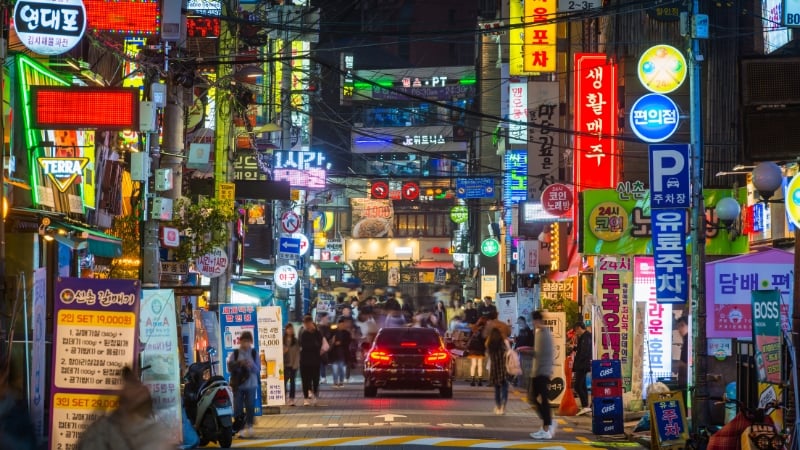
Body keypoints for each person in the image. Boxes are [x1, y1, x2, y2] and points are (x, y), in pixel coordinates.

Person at [77, 367, 175, 450]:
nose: (142, 388)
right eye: (133, 385)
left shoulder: (155, 432)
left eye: (138, 384)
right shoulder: (100, 433)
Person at [226, 330, 259, 438]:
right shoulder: (235, 354)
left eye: (248, 341)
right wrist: (239, 364)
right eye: (244, 341)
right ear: (240, 341)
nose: (246, 344)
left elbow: (257, 369)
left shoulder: (254, 353)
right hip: (238, 385)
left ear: (251, 342)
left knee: (250, 406)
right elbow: (229, 368)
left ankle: (250, 427)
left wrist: (251, 364)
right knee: (238, 407)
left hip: (251, 384)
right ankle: (240, 429)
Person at [530, 310, 556, 440]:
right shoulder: (541, 333)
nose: (533, 323)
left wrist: (527, 351)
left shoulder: (543, 333)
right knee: (535, 398)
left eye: (534, 321)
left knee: (540, 400)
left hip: (541, 372)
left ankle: (547, 426)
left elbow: (540, 354)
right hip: (540, 371)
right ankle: (546, 424)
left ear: (538, 321)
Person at [298, 315, 324, 406]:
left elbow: (319, 344)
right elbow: (303, 345)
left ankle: (316, 397)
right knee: (305, 380)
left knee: (315, 379)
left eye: (308, 323)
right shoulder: (303, 332)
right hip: (304, 361)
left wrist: (315, 332)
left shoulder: (317, 332)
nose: (307, 325)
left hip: (315, 360)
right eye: (305, 323)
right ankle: (306, 398)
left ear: (311, 322)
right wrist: (313, 345)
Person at [485, 327, 509, 415]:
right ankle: (503, 406)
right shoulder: (502, 344)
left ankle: (498, 406)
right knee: (505, 388)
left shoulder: (489, 345)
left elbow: (487, 354)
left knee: (497, 389)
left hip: (494, 369)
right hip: (503, 369)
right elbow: (508, 352)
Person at [573, 322, 593, 416]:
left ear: (579, 328)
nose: (576, 332)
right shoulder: (585, 336)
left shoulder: (586, 337)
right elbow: (582, 349)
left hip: (583, 365)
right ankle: (586, 406)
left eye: (576, 330)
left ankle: (585, 405)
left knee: (577, 385)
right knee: (582, 385)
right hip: (582, 364)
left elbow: (584, 352)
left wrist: (578, 363)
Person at [330, 317, 352, 387]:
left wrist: (341, 343)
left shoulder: (346, 333)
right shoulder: (333, 332)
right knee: (335, 369)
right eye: (340, 324)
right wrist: (333, 342)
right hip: (334, 353)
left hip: (343, 353)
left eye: (343, 324)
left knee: (342, 369)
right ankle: (335, 382)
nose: (342, 326)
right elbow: (329, 340)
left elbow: (348, 342)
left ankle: (341, 382)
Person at [283, 323, 301, 406]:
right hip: (285, 364)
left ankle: (291, 399)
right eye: (288, 329)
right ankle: (283, 397)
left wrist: (296, 364)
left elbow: (298, 353)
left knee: (292, 382)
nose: (290, 330)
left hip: (293, 364)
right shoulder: (282, 340)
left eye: (291, 329)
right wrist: (284, 351)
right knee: (284, 382)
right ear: (286, 330)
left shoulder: (296, 341)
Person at [467, 317, 487, 386]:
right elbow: (484, 339)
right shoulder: (483, 330)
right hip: (480, 349)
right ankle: (479, 381)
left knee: (473, 364)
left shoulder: (473, 329)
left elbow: (469, 338)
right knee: (480, 365)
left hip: (473, 349)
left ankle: (472, 380)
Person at [317, 313, 332, 384]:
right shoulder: (320, 327)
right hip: (321, 346)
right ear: (322, 318)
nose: (327, 319)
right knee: (321, 362)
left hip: (323, 346)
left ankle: (323, 377)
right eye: (326, 318)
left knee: (321, 362)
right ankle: (322, 377)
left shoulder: (326, 326)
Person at [676, 316, 689, 387]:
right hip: (684, 379)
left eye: (682, 325)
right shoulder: (686, 339)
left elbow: (684, 361)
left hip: (686, 379)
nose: (679, 329)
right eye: (678, 326)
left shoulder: (689, 339)